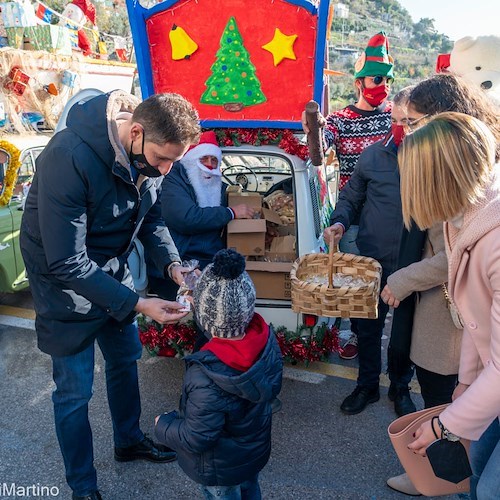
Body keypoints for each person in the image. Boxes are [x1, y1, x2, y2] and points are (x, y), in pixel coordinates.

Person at [20, 91, 201, 500]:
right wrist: (139, 303)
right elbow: (67, 261)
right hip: (62, 285)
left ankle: (128, 440)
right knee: (74, 392)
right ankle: (82, 487)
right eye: (160, 159)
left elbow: (152, 219)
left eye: (175, 161)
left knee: (124, 360)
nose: (166, 170)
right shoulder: (69, 156)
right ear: (134, 132)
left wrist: (173, 266)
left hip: (110, 273)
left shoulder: (147, 160)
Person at [383, 74, 500, 496]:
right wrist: (467, 382)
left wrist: (443, 423)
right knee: (476, 471)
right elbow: (475, 322)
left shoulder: (493, 241)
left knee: (488, 488)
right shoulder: (464, 221)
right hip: (487, 376)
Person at [154, 249, 283, 500]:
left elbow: (197, 437)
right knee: (249, 490)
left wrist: (164, 426)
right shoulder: (266, 342)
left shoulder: (206, 375)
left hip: (219, 468)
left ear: (204, 317)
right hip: (252, 454)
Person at [304, 31, 394, 360]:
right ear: (359, 82)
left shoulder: (395, 118)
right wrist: (313, 129)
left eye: (387, 79)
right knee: (353, 278)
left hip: (389, 215)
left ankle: (374, 339)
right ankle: (349, 331)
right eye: (375, 79)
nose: (383, 86)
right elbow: (319, 147)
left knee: (386, 283)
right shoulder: (341, 120)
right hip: (352, 214)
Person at [323, 87, 412, 415]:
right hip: (372, 262)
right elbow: (350, 197)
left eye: (410, 120)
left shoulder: (432, 160)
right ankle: (367, 386)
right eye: (397, 119)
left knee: (404, 332)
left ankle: (401, 387)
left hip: (412, 265)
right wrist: (340, 224)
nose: (402, 126)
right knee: (369, 328)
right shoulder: (373, 156)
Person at [147, 130, 255, 301]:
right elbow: (186, 218)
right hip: (179, 262)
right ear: (191, 159)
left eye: (214, 160)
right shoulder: (174, 179)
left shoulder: (216, 184)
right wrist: (231, 212)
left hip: (209, 260)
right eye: (203, 158)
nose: (209, 165)